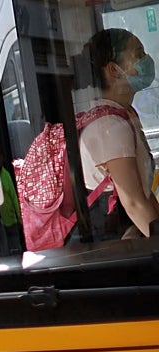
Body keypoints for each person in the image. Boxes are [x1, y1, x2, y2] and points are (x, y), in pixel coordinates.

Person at [74, 28, 159, 240]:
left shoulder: (122, 114)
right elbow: (134, 203)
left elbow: (144, 193)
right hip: (114, 245)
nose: (146, 60)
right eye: (138, 55)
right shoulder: (109, 126)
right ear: (114, 70)